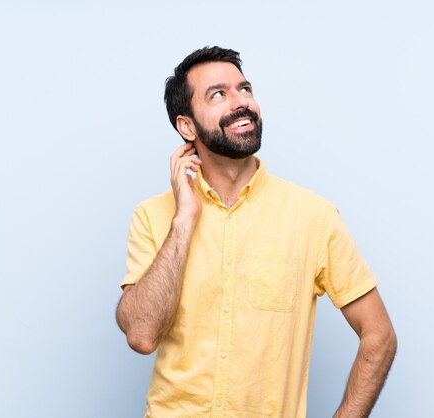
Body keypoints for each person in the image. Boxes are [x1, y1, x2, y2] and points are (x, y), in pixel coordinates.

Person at [116, 46, 397, 418]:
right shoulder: (153, 216)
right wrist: (183, 219)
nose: (241, 103)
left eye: (244, 89)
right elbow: (141, 334)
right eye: (219, 94)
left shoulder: (313, 216)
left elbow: (379, 336)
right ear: (187, 126)